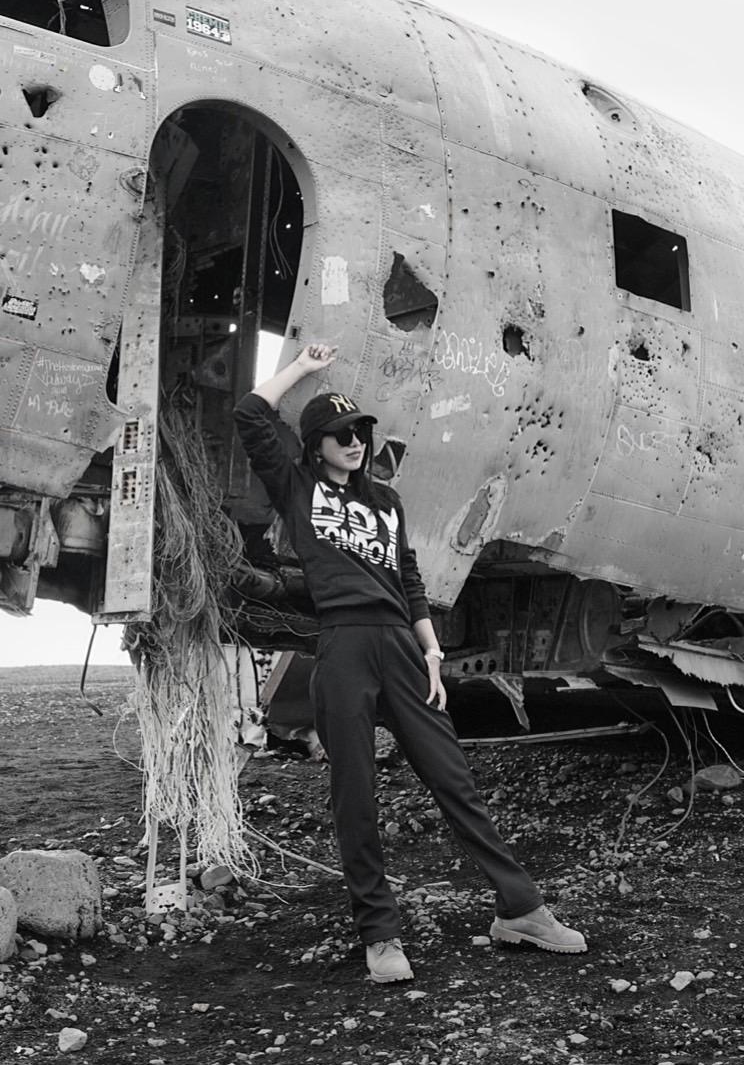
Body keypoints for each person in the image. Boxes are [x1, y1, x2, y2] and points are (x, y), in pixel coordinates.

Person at [235, 342, 586, 983]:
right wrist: (303, 371)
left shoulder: (386, 502)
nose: (355, 442)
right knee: (355, 797)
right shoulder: (296, 487)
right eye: (341, 434)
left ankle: (521, 908)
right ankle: (380, 935)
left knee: (454, 780)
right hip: (340, 648)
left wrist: (431, 651)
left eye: (361, 432)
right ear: (315, 445)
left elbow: (410, 578)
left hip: (401, 647)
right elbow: (250, 414)